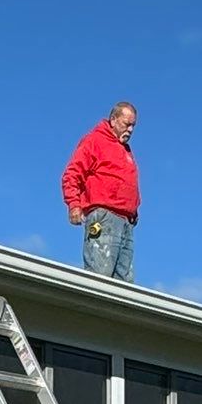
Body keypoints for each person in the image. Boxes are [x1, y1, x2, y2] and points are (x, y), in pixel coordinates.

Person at [60, 102, 139, 279]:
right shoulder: (95, 141)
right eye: (127, 124)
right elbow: (72, 173)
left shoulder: (125, 149)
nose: (131, 129)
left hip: (126, 221)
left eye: (133, 125)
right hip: (104, 217)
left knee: (124, 283)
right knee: (100, 276)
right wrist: (74, 204)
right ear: (113, 120)